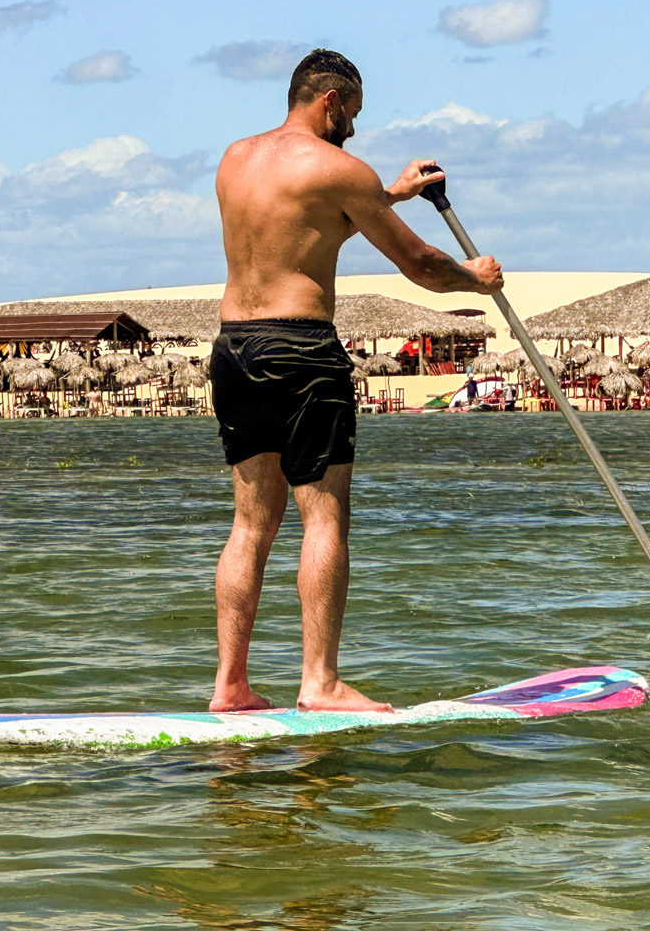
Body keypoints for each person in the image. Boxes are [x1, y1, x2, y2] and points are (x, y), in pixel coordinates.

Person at [209, 49, 503, 713]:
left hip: (234, 347)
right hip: (301, 350)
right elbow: (420, 264)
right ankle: (320, 681)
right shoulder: (340, 169)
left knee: (250, 525)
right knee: (324, 515)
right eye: (353, 116)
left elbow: (302, 220)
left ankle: (230, 684)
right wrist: (474, 278)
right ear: (331, 100)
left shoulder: (235, 159)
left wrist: (387, 196)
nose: (354, 133)